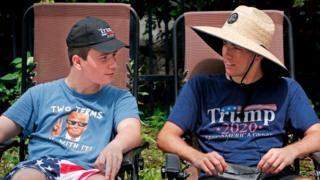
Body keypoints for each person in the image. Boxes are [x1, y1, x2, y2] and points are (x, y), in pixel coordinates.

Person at [157, 5, 320, 180]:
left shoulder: (286, 89)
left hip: (272, 175)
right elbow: (166, 137)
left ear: (258, 55)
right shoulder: (200, 87)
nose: (226, 53)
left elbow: (317, 134)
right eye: (225, 44)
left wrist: (291, 151)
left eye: (236, 47)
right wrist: (197, 157)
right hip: (219, 175)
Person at [0, 16, 141, 180]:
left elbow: (131, 130)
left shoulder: (119, 98)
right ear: (78, 61)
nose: (114, 65)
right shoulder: (39, 94)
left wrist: (117, 145)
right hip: (41, 167)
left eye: (114, 55)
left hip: (89, 171)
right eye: (104, 58)